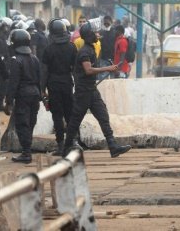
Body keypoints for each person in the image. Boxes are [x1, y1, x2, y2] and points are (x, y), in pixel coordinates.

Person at [63, 22, 131, 158]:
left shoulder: (90, 49)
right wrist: (108, 69)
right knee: (75, 121)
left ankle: (113, 146)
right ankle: (65, 149)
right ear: (89, 36)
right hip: (83, 92)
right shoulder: (84, 52)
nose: (97, 35)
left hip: (91, 90)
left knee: (103, 116)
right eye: (95, 33)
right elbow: (88, 70)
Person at [4, 29, 41, 164]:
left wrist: (8, 101)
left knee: (22, 124)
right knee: (31, 122)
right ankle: (27, 150)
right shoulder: (35, 58)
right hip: (35, 94)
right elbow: (39, 79)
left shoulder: (16, 60)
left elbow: (13, 83)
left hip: (23, 95)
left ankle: (26, 153)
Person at [41, 19, 77, 156]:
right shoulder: (72, 47)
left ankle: (61, 146)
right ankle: (73, 142)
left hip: (53, 85)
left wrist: (42, 88)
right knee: (70, 114)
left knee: (57, 116)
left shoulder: (48, 49)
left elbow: (44, 71)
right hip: (67, 83)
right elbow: (76, 69)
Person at [0, 17, 12, 110]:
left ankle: (0, 103)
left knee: (4, 86)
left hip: (4, 65)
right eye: (4, 27)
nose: (6, 29)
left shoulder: (4, 38)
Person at [98, 15, 116, 80]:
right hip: (103, 59)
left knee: (112, 79)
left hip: (113, 59)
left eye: (107, 23)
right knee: (103, 78)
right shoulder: (101, 32)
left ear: (111, 22)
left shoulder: (115, 32)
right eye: (105, 23)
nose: (106, 25)